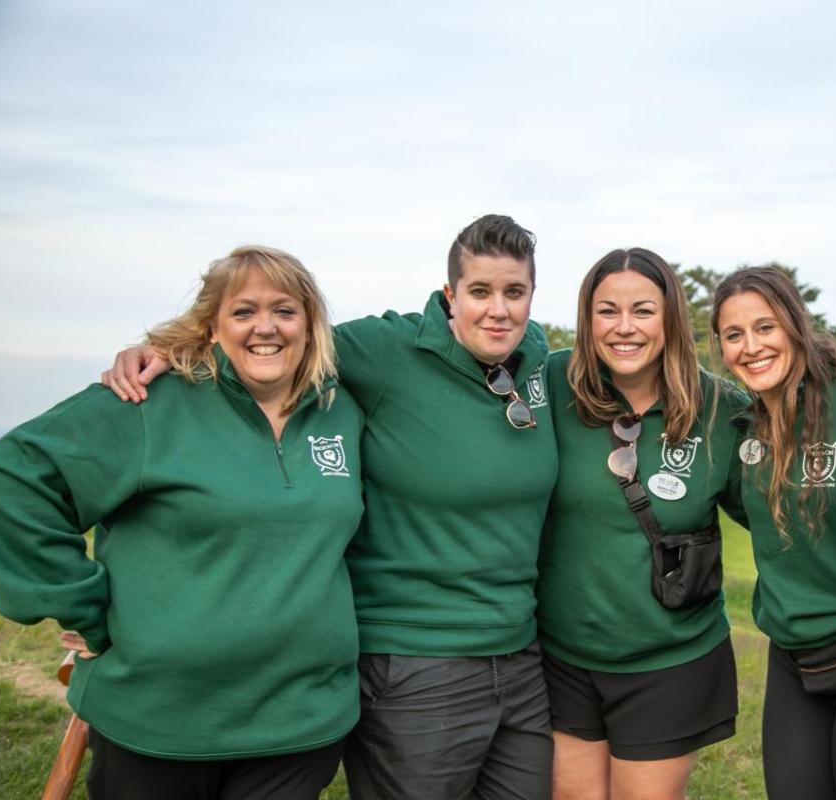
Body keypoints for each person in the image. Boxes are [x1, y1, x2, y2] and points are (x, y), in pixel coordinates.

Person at [103, 215, 558, 800]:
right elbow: (274, 340)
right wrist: (169, 345)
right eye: (480, 292)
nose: (498, 309)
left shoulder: (537, 359)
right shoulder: (385, 349)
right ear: (450, 296)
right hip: (415, 660)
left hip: (520, 655)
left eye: (513, 293)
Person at [0, 246, 365, 800]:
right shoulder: (148, 401)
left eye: (286, 310)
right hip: (158, 725)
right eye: (243, 312)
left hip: (300, 728)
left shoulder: (343, 409)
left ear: (311, 325)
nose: (266, 327)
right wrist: (84, 606)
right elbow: (14, 478)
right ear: (210, 328)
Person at [537, 248, 748, 800]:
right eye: (607, 311)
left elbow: (781, 514)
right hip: (562, 656)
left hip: (669, 658)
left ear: (671, 318)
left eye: (643, 311)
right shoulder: (550, 381)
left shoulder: (722, 409)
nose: (624, 328)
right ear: (587, 319)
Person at [709, 266, 836, 799]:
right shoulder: (744, 430)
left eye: (765, 327)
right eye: (734, 335)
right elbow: (761, 518)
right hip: (792, 662)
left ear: (795, 326)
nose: (751, 346)